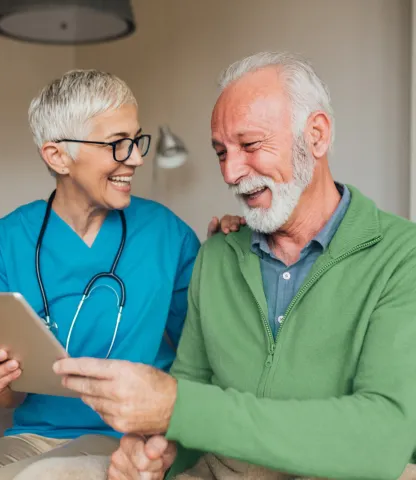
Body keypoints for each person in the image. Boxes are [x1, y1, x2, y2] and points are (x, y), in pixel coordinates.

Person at [49, 52, 416, 480]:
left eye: (250, 145)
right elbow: (191, 391)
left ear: (316, 136)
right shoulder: (218, 254)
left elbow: (384, 436)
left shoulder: (401, 256)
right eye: (221, 151)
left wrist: (177, 407)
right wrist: (156, 450)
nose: (231, 171)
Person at [0, 69, 241, 480]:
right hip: (33, 436)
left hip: (130, 439)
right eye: (118, 144)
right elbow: (9, 398)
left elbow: (212, 352)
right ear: (57, 156)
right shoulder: (0, 244)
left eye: (136, 141)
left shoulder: (165, 234)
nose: (135, 157)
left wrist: (228, 258)